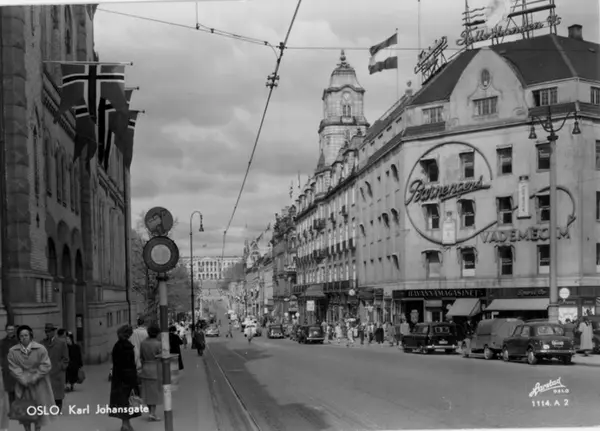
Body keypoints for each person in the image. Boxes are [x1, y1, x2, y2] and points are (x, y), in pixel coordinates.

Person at [8, 325, 54, 431]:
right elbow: (13, 367)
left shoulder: (40, 349)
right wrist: (22, 379)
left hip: (39, 384)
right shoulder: (13, 351)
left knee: (39, 410)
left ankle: (37, 429)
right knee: (25, 410)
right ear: (18, 337)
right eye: (21, 336)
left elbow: (46, 365)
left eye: (26, 335)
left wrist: (35, 377)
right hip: (23, 385)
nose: (24, 337)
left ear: (30, 336)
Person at [109, 324, 142, 431]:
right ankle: (126, 425)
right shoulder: (129, 347)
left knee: (121, 401)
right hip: (128, 378)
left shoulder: (116, 346)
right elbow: (132, 364)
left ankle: (125, 424)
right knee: (129, 401)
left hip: (118, 378)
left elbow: (114, 362)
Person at [41, 323, 69, 413]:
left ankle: (58, 408)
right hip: (46, 372)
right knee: (47, 392)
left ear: (54, 332)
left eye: (49, 331)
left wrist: (61, 366)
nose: (47, 333)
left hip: (57, 372)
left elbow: (66, 358)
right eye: (46, 332)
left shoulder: (61, 343)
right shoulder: (42, 343)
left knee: (57, 393)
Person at [139, 324, 162, 421]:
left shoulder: (143, 343)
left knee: (147, 392)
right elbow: (161, 356)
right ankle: (152, 413)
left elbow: (141, 356)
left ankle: (150, 412)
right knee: (154, 393)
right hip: (155, 369)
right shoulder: (158, 344)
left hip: (145, 368)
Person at [1, 323, 18, 405]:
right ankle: (11, 408)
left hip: (17, 369)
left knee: (18, 391)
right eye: (9, 329)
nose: (10, 331)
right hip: (7, 370)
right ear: (6, 330)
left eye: (12, 329)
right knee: (9, 392)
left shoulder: (19, 342)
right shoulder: (2, 342)